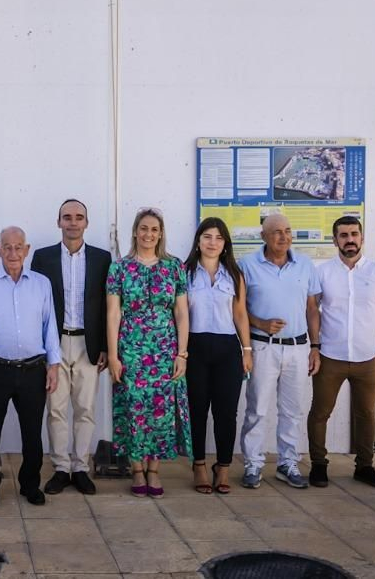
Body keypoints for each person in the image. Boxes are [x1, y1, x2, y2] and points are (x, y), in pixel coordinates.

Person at [0, 226, 62, 507]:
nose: (13, 253)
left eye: (18, 247)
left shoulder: (41, 284)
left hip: (33, 371)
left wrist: (54, 365)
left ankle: (30, 485)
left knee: (32, 434)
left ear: (27, 250)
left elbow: (50, 326)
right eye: (7, 247)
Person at [307, 214, 375, 490]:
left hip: (367, 359)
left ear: (361, 237)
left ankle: (365, 467)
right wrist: (316, 345)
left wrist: (369, 332)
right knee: (320, 412)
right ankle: (319, 465)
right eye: (344, 235)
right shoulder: (323, 273)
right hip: (331, 357)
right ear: (335, 239)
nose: (350, 240)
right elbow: (312, 310)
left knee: (367, 414)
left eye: (354, 234)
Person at [106, 207, 191, 497]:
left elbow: (181, 312)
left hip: (165, 350)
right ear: (135, 231)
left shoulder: (174, 266)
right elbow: (113, 314)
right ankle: (137, 469)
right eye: (143, 228)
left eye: (154, 229)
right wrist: (114, 356)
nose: (148, 234)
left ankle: (154, 469)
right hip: (130, 349)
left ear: (161, 233)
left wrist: (182, 353)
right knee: (133, 408)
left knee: (160, 412)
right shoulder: (119, 268)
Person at [29, 198, 111, 495]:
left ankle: (80, 468)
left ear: (86, 222)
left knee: (86, 408)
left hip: (89, 343)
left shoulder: (102, 258)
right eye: (67, 217)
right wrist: (40, 346)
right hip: (55, 342)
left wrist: (105, 346)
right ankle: (61, 468)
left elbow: (108, 305)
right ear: (59, 222)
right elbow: (34, 303)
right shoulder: (43, 257)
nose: (73, 222)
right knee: (56, 409)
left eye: (79, 217)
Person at [239, 212, 323, 490]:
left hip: (298, 348)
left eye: (287, 231)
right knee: (257, 409)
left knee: (292, 411)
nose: (283, 237)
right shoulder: (247, 265)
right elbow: (237, 308)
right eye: (276, 232)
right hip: (263, 347)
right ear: (263, 236)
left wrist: (315, 346)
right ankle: (253, 463)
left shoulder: (305, 264)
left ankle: (288, 463)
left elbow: (312, 309)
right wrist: (261, 323)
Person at [183, 217, 252, 495]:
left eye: (219, 237)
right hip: (195, 348)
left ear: (225, 244)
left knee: (226, 412)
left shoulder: (234, 274)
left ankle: (222, 467)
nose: (213, 242)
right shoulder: (185, 272)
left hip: (227, 350)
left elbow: (240, 314)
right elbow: (179, 314)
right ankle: (199, 465)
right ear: (198, 241)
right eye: (207, 236)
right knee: (196, 410)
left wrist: (247, 350)